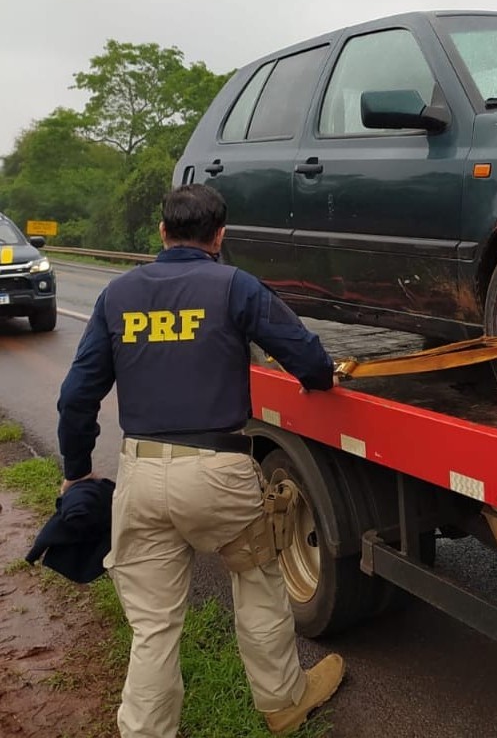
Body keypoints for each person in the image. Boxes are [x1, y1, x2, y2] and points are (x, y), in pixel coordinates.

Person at [57, 184, 346, 738]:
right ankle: (284, 701)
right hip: (220, 473)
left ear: (163, 232)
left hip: (140, 475)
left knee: (154, 628)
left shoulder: (117, 295)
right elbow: (307, 358)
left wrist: (77, 473)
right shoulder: (235, 286)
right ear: (220, 236)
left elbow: (76, 397)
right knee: (259, 579)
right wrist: (320, 378)